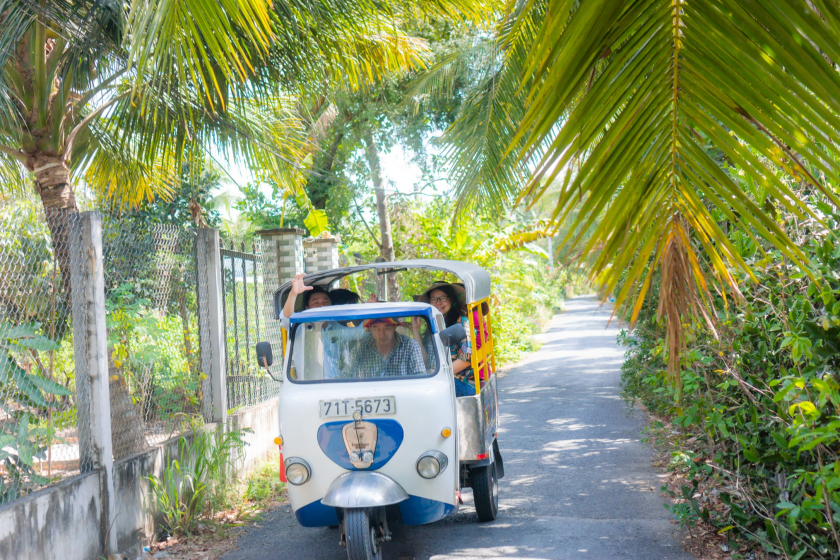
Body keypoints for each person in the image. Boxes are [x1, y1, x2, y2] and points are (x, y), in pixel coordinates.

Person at [422, 283, 477, 397]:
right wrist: (415, 328)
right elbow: (425, 358)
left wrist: (437, 374)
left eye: (442, 298)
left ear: (451, 300)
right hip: (437, 379)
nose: (438, 303)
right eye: (434, 299)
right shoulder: (433, 325)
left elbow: (466, 359)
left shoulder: (462, 322)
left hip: (461, 382)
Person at [346, 317, 425, 378]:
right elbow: (346, 375)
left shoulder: (411, 347)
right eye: (376, 328)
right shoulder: (360, 349)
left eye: (387, 328)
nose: (381, 334)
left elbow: (420, 379)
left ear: (395, 326)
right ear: (370, 328)